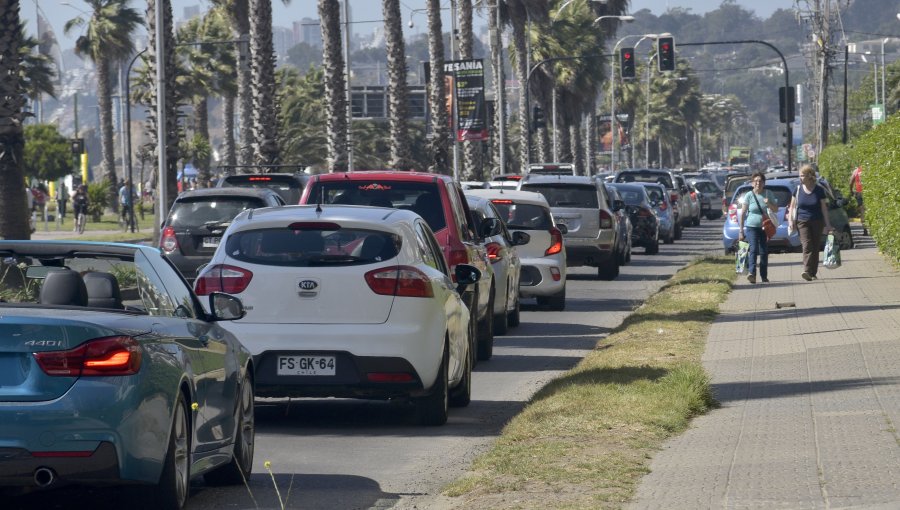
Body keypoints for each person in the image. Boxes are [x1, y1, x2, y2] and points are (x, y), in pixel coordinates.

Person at [788, 164, 833, 281]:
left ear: (809, 176)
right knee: (807, 245)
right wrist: (790, 221)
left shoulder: (819, 190)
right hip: (802, 221)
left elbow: (824, 208)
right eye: (799, 176)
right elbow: (792, 207)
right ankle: (807, 270)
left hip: (817, 221)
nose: (800, 178)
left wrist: (828, 225)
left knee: (815, 246)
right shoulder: (797, 189)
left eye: (802, 175)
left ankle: (813, 272)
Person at [737, 171, 778, 284]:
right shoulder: (749, 195)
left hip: (765, 227)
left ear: (764, 183)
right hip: (751, 227)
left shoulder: (768, 193)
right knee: (753, 249)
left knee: (764, 252)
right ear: (752, 183)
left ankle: (764, 276)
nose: (758, 183)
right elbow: (743, 213)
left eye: (760, 181)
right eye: (755, 181)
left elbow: (775, 209)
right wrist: (741, 230)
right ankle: (752, 274)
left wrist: (768, 203)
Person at [849, 165, 865, 235]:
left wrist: (851, 191)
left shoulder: (856, 171)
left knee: (862, 211)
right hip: (868, 191)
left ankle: (865, 229)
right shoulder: (869, 168)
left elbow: (851, 182)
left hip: (859, 192)